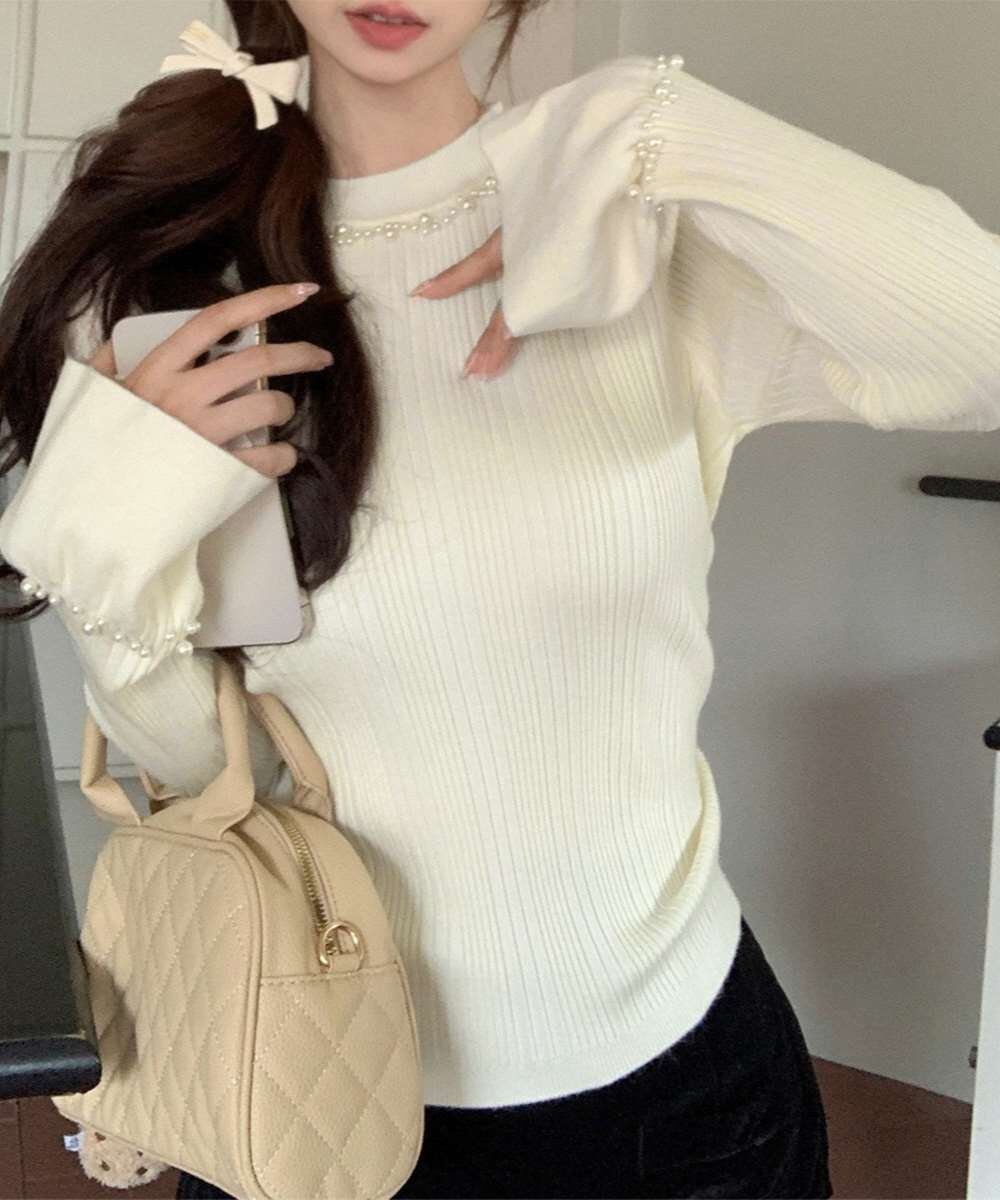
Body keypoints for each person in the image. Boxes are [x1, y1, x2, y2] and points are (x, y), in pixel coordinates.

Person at [2, 0, 999, 1195]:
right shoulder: (163, 278)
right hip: (310, 1085)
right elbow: (197, 772)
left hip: (685, 1084)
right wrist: (98, 531)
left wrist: (659, 122)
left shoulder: (646, 222)